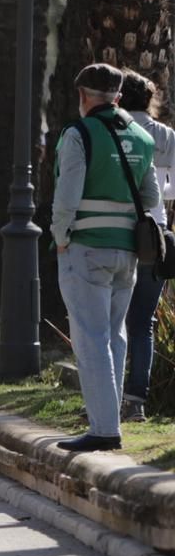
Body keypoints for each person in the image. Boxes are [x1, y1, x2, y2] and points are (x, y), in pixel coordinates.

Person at [49, 63, 161, 452]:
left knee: (90, 338)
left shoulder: (78, 134)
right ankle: (109, 421)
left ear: (83, 96)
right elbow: (150, 199)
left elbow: (67, 196)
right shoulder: (142, 138)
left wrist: (61, 237)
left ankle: (104, 429)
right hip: (126, 254)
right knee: (114, 335)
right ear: (116, 95)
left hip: (85, 248)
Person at [118, 71, 175, 423]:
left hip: (117, 234)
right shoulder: (166, 136)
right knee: (143, 323)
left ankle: (106, 397)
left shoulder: (114, 131)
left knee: (109, 322)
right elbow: (172, 190)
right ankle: (135, 401)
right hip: (156, 237)